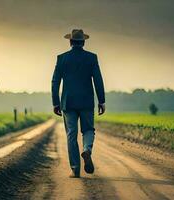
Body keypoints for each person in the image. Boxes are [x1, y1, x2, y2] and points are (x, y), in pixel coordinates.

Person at [51, 29, 106, 178]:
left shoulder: (62, 58)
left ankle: (75, 169)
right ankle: (87, 149)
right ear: (83, 42)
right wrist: (102, 101)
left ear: (70, 42)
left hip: (68, 102)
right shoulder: (91, 58)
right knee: (88, 130)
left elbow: (55, 82)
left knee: (71, 134)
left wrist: (56, 103)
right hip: (87, 101)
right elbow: (98, 80)